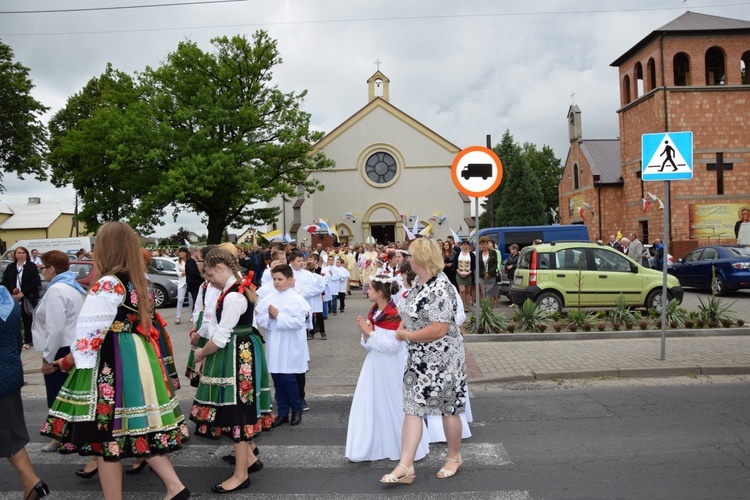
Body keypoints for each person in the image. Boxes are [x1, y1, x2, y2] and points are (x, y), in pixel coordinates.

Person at [40, 221, 190, 500]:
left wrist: (67, 361)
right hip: (134, 354)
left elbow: (89, 336)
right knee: (131, 427)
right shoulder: (137, 280)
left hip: (112, 359)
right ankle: (174, 487)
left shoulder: (108, 283)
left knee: (105, 433)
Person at [381, 238, 468, 484]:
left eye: (410, 255)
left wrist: (406, 335)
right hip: (419, 358)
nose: (408, 259)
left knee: (448, 408)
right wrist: (402, 327)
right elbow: (408, 312)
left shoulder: (441, 287)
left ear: (421, 259)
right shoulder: (420, 283)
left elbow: (439, 329)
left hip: (444, 359)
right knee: (413, 407)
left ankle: (454, 457)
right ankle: (405, 465)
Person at [190, 248, 262, 493]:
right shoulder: (234, 290)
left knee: (236, 411)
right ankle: (249, 460)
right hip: (237, 353)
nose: (209, 280)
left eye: (210, 275)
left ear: (221, 268)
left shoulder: (233, 296)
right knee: (234, 409)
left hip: (236, 356)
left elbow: (221, 336)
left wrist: (200, 353)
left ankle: (241, 474)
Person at [346, 275, 430, 462]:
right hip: (375, 365)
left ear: (379, 293)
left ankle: (402, 445)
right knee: (373, 403)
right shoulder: (374, 313)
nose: (366, 291)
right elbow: (368, 344)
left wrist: (369, 333)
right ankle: (375, 444)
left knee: (394, 403)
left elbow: (393, 348)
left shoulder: (395, 314)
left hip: (392, 366)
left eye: (370, 288)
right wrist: (366, 336)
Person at [32, 250, 87, 453]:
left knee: (57, 396)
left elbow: (54, 328)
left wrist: (47, 358)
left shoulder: (57, 290)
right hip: (71, 347)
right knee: (70, 395)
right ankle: (71, 436)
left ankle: (61, 437)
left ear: (52, 269)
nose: (42, 272)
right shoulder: (73, 287)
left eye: (44, 268)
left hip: (60, 348)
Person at [1, 286, 50, 500]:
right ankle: (31, 481)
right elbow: (19, 339)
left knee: (7, 432)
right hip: (10, 372)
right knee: (8, 431)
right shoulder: (6, 298)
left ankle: (32, 481)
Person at [255, 264, 311, 428]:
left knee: (289, 378)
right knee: (278, 378)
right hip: (276, 341)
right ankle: (282, 412)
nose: (276, 282)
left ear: (290, 280)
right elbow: (260, 320)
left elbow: (299, 322)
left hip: (291, 343)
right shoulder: (270, 297)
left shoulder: (297, 298)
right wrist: (271, 319)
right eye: (274, 279)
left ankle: (296, 409)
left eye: (280, 279)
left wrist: (279, 316)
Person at [2, 246, 41, 350]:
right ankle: (16, 340)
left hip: (27, 297)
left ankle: (28, 340)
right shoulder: (11, 267)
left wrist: (23, 293)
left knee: (27, 319)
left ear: (26, 255)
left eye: (23, 253)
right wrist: (12, 294)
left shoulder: (31, 266)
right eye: (18, 253)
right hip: (13, 297)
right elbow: (5, 281)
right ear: (15, 255)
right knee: (14, 319)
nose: (21, 255)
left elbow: (35, 282)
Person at [477, 236, 499, 307]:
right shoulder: (479, 254)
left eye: (485, 244)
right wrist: (483, 273)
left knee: (491, 294)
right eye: (482, 244)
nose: (483, 246)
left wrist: (489, 273)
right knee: (485, 293)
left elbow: (495, 263)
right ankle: (485, 309)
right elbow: (478, 265)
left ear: (487, 244)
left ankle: (491, 310)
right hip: (482, 276)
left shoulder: (493, 253)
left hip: (491, 276)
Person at [454, 240, 475, 310]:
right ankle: (461, 306)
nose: (464, 246)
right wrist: (459, 272)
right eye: (463, 245)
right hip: (459, 274)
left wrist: (469, 273)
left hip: (468, 275)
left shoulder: (471, 255)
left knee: (467, 291)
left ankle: (466, 306)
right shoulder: (458, 254)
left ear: (468, 246)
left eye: (465, 245)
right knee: (462, 290)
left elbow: (473, 266)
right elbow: (455, 264)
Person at [174, 247, 190, 324]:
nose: (181, 253)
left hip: (189, 282)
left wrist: (184, 271)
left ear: (186, 253)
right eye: (180, 252)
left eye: (182, 252)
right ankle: (178, 317)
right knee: (180, 300)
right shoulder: (177, 262)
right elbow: (178, 273)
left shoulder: (189, 261)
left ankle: (191, 316)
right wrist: (185, 272)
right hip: (181, 283)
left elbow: (191, 271)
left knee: (191, 300)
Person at [185, 248, 203, 313]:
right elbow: (193, 272)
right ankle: (194, 314)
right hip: (194, 285)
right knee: (195, 300)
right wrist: (201, 274)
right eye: (198, 251)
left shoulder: (195, 261)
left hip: (197, 284)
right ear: (194, 252)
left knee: (198, 300)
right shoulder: (190, 261)